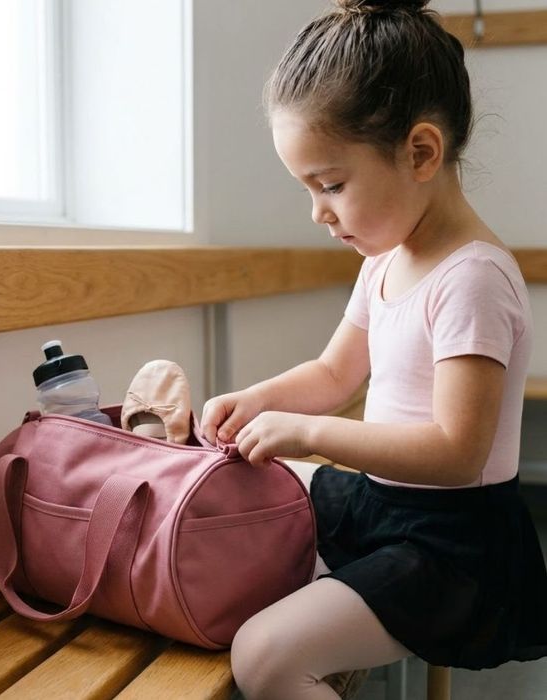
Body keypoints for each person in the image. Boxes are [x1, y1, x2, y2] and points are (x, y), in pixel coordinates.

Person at [200, 1, 547, 698]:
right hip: (384, 508)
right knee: (237, 490)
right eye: (308, 188)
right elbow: (334, 373)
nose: (317, 212)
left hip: (451, 546)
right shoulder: (385, 262)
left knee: (261, 657)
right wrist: (259, 400)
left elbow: (457, 453)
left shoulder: (471, 277)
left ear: (420, 153)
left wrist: (308, 432)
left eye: (331, 184)